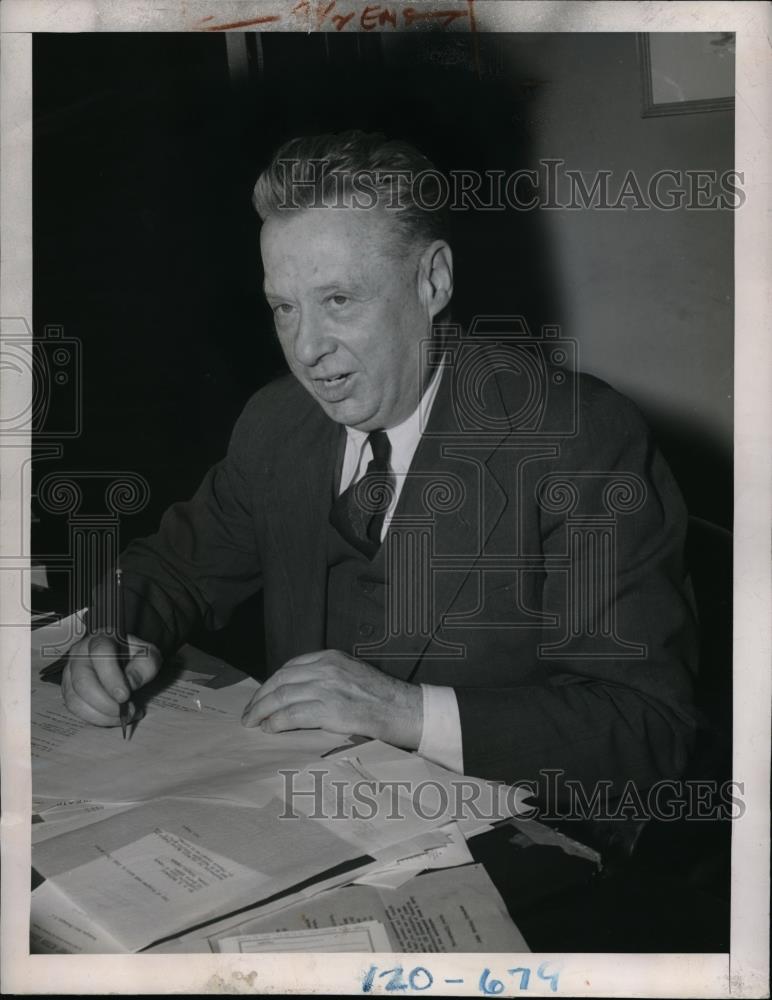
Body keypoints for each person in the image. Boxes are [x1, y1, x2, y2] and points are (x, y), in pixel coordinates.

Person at [61, 131, 698, 798]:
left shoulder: (580, 438)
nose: (306, 348)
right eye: (284, 308)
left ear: (433, 280)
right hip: (308, 810)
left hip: (522, 824)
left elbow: (649, 729)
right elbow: (173, 570)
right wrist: (114, 635)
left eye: (338, 300)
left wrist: (404, 712)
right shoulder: (278, 423)